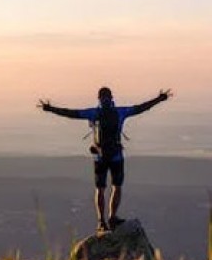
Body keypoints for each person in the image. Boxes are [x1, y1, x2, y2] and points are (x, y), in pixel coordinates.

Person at [38, 87, 172, 233]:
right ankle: (112, 218)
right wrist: (159, 99)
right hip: (116, 156)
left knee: (100, 189)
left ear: (99, 98)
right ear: (111, 97)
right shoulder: (120, 112)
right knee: (117, 186)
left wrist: (50, 108)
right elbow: (140, 108)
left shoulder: (94, 113)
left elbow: (71, 113)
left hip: (100, 157)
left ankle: (101, 221)